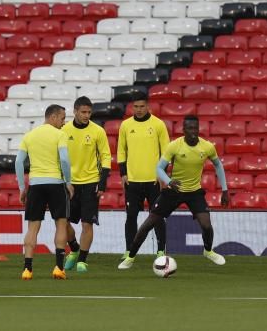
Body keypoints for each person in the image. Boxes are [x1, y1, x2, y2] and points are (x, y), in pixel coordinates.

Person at [118, 115, 228, 270]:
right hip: (173, 190)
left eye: (195, 128)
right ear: (183, 130)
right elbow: (159, 168)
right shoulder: (174, 146)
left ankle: (208, 251)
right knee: (148, 224)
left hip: (194, 191)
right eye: (189, 128)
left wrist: (225, 190)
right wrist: (169, 181)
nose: (193, 131)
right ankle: (130, 257)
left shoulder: (207, 147)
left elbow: (218, 165)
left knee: (207, 225)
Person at [15, 104, 73, 280]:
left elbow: (18, 162)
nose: (64, 123)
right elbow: (64, 159)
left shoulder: (29, 136)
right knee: (61, 224)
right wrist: (68, 182)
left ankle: (27, 269)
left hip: (36, 185)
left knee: (33, 227)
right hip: (56, 183)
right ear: (53, 117)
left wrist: (22, 188)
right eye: (62, 118)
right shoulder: (60, 135)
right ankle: (58, 268)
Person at [116, 91, 169, 258]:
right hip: (132, 180)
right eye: (136, 107)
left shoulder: (158, 124)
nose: (138, 110)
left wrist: (163, 176)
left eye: (142, 106)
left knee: (157, 217)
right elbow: (121, 151)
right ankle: (129, 251)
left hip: (154, 181)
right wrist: (123, 173)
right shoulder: (125, 125)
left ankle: (161, 250)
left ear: (148, 106)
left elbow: (166, 152)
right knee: (131, 216)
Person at [61, 96, 111, 273]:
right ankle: (74, 248)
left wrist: (102, 182)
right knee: (64, 222)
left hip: (90, 182)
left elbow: (105, 156)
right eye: (83, 112)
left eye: (89, 112)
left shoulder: (98, 131)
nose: (86, 115)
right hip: (69, 184)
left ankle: (82, 260)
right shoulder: (64, 130)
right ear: (74, 111)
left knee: (86, 224)